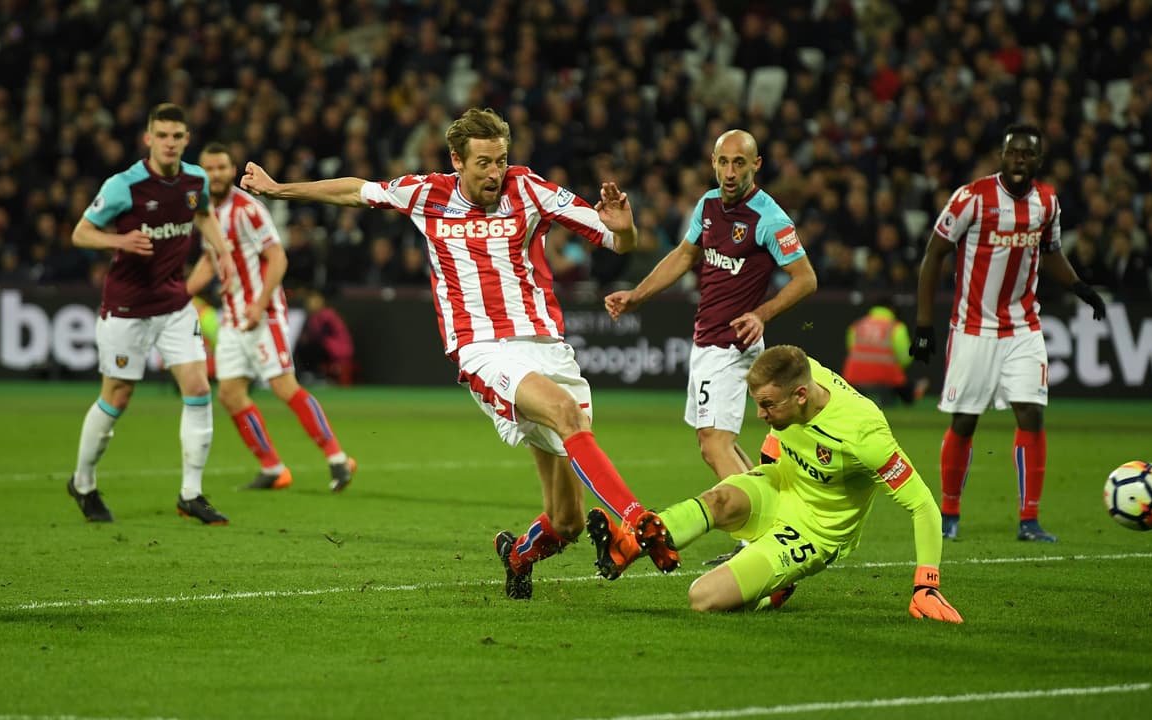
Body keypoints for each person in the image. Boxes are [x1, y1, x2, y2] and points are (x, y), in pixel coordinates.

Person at [238, 107, 678, 599]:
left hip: (547, 347)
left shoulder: (529, 189)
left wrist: (626, 230)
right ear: (458, 161)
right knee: (564, 414)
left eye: (501, 161)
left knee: (568, 520)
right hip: (483, 349)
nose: (495, 173)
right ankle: (638, 517)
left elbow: (618, 240)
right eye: (485, 163)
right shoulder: (428, 193)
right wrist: (281, 190)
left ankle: (516, 555)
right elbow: (356, 191)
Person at [586, 345, 962, 621]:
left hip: (815, 530)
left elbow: (922, 504)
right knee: (722, 498)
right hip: (780, 485)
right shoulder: (803, 373)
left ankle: (774, 591)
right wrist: (760, 477)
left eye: (767, 405)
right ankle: (629, 544)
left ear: (800, 395)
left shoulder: (864, 433)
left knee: (703, 597)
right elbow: (781, 437)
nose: (760, 414)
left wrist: (925, 584)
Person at [909, 123, 1107, 543]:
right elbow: (934, 255)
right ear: (1002, 156)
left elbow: (1050, 252)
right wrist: (924, 325)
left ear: (1038, 161)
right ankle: (948, 514)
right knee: (965, 421)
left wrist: (1079, 287)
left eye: (1028, 154)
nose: (1020, 159)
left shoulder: (1047, 203)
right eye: (1013, 152)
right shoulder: (971, 198)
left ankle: (1029, 520)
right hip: (973, 328)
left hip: (1023, 326)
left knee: (1031, 412)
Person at [604, 129, 816, 481]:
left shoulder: (769, 218)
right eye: (723, 162)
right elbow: (685, 255)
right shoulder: (708, 205)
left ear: (756, 165)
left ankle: (754, 532)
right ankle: (771, 515)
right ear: (713, 163)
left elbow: (806, 278)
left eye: (739, 163)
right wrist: (636, 295)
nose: (730, 173)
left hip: (732, 344)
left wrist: (761, 314)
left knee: (714, 443)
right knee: (718, 442)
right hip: (708, 340)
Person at [66, 103, 237, 525]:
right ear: (148, 139)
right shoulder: (125, 186)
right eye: (161, 135)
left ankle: (191, 494)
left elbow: (203, 216)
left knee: (198, 387)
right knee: (118, 395)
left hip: (175, 303)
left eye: (177, 136)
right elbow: (80, 233)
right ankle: (83, 482)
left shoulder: (196, 179)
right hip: (127, 307)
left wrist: (223, 249)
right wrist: (121, 241)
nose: (169, 143)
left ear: (186, 139)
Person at [186, 143, 357, 493]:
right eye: (209, 168)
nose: (216, 174)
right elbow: (210, 260)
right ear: (200, 172)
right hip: (232, 316)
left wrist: (260, 302)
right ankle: (273, 468)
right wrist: (181, 292)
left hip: (264, 314)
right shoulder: (204, 211)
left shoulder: (248, 208)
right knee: (230, 393)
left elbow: (277, 257)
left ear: (232, 170)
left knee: (283, 386)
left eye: (221, 167)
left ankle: (338, 458)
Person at [842, 301, 921, 407]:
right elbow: (905, 358)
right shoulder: (896, 327)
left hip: (853, 377)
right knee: (905, 389)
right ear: (892, 309)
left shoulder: (857, 325)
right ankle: (914, 392)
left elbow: (851, 348)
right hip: (887, 378)